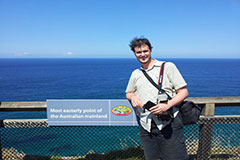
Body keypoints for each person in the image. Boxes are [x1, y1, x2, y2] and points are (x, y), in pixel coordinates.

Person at [125, 37, 189, 160]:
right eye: (139, 52)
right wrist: (132, 97)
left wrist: (167, 105)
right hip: (147, 124)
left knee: (176, 157)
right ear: (134, 53)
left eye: (145, 51)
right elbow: (128, 92)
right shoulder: (136, 73)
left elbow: (183, 92)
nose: (142, 55)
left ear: (151, 50)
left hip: (169, 122)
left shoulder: (167, 66)